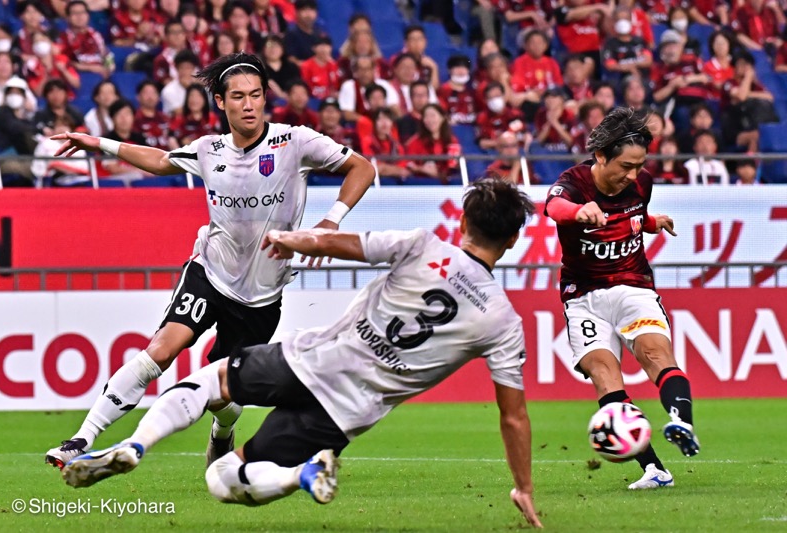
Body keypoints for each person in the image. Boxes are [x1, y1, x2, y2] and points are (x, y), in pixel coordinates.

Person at [60, 178, 544, 529]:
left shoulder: (422, 245)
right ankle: (301, 474)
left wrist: (293, 239)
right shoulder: (503, 322)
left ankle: (137, 445)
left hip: (316, 359)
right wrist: (522, 486)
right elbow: (514, 417)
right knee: (225, 477)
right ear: (512, 240)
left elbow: (348, 245)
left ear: (461, 221)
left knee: (213, 380)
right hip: (347, 412)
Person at [44, 52, 376, 469]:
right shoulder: (209, 150)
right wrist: (99, 143)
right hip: (210, 271)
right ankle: (81, 438)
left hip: (261, 295)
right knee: (161, 350)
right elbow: (161, 161)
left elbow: (362, 167)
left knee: (223, 389)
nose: (250, 104)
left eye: (256, 95)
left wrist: (330, 222)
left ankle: (222, 432)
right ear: (221, 102)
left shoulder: (295, 141)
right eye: (238, 96)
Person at [544, 107, 700, 491]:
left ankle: (681, 420)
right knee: (603, 374)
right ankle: (654, 470)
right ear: (601, 157)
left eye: (639, 165)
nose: (634, 174)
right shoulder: (573, 184)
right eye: (626, 166)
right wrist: (579, 210)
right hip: (583, 296)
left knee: (654, 353)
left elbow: (632, 215)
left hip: (633, 285)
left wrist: (652, 222)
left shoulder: (641, 183)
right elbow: (553, 208)